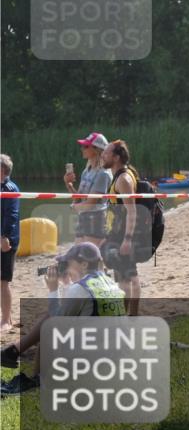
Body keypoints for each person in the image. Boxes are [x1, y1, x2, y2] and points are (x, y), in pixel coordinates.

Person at [0, 242, 125, 396]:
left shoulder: (80, 289)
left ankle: (38, 379)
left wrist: (53, 290)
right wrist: (67, 285)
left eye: (68, 263)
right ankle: (14, 354)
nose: (65, 267)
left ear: (83, 264)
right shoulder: (111, 284)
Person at [101, 140, 143, 316]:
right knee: (127, 276)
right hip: (116, 233)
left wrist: (127, 239)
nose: (103, 156)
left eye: (106, 153)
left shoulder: (124, 179)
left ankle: (127, 316)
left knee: (126, 278)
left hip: (124, 235)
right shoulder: (118, 176)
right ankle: (131, 316)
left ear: (116, 157)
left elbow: (132, 211)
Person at [64, 132, 113, 247]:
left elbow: (90, 204)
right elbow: (80, 199)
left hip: (96, 220)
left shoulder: (103, 174)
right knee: (79, 257)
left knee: (91, 259)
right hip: (84, 219)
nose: (82, 149)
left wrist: (73, 207)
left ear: (96, 149)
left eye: (86, 146)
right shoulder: (86, 171)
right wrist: (69, 184)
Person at [1, 154, 19, 334]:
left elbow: (12, 216)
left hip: (6, 240)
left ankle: (7, 320)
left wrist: (4, 236)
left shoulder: (9, 188)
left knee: (3, 281)